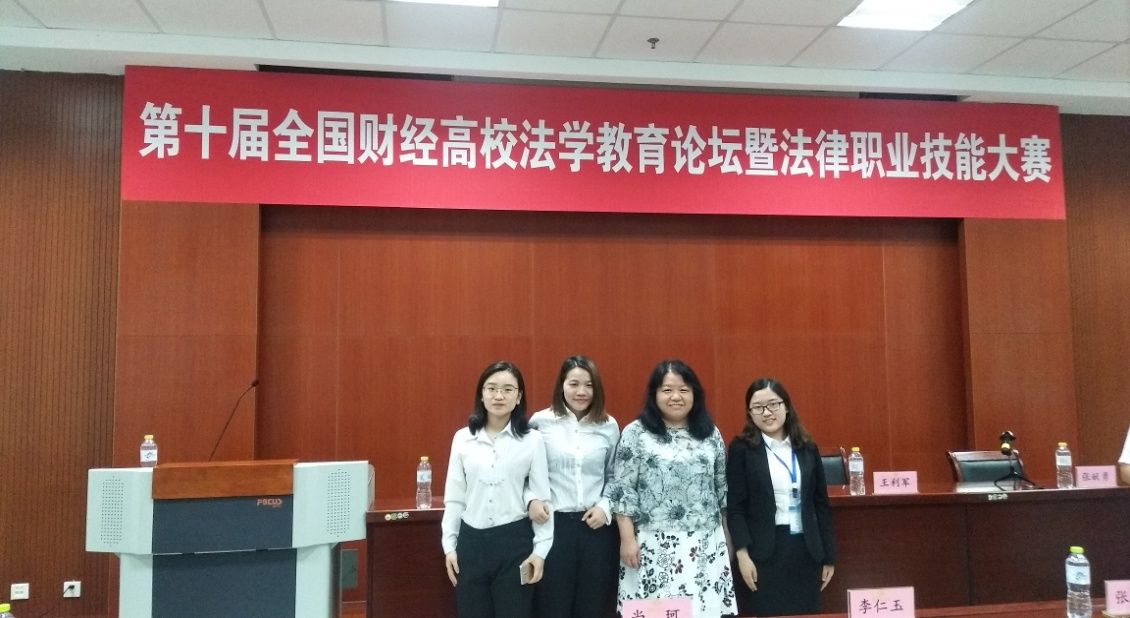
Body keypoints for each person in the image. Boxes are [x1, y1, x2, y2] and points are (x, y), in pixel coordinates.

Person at [606, 359, 736, 618]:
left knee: (701, 611)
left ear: (694, 395)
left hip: (705, 543)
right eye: (667, 390)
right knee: (657, 611)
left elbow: (721, 489)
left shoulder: (710, 434)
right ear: (654, 395)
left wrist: (727, 537)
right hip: (652, 545)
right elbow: (623, 491)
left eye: (684, 390)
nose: (676, 396)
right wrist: (627, 539)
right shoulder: (636, 433)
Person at [442, 361, 553, 618]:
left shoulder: (532, 440)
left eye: (507, 389)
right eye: (491, 388)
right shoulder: (463, 439)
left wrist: (541, 551)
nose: (499, 396)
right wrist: (449, 545)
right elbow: (455, 498)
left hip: (514, 543)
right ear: (481, 395)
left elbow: (542, 498)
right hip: (471, 543)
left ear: (519, 396)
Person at [726, 377, 836, 617]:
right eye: (758, 407)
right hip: (763, 553)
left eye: (773, 404)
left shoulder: (807, 447)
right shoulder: (741, 449)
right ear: (750, 413)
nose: (767, 412)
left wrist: (829, 556)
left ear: (786, 406)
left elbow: (821, 504)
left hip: (806, 551)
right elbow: (735, 508)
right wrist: (742, 556)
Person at [527, 356, 620, 618]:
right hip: (553, 528)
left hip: (596, 529)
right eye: (574, 384)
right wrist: (531, 499)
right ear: (562, 386)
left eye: (589, 385)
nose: (582, 392)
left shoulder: (608, 425)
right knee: (552, 607)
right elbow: (523, 474)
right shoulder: (540, 422)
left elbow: (616, 475)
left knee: (593, 607)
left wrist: (605, 507)